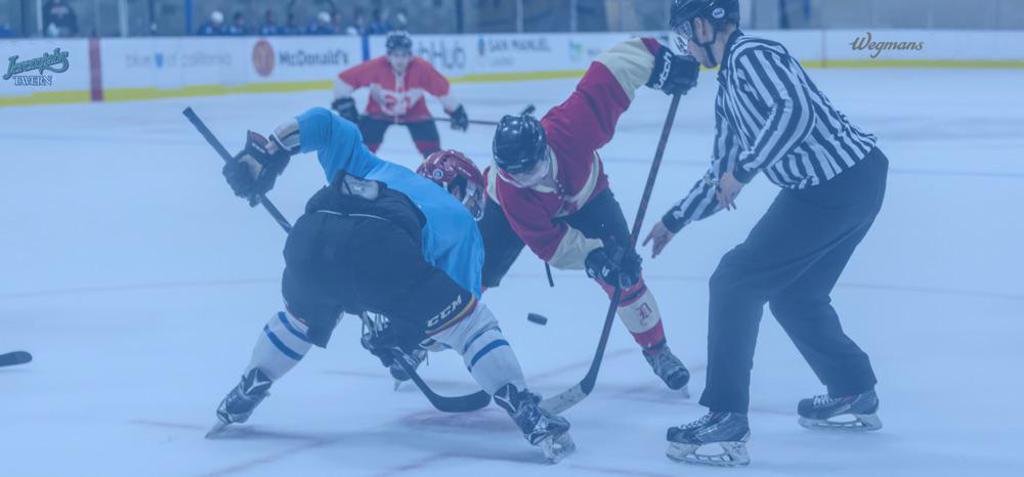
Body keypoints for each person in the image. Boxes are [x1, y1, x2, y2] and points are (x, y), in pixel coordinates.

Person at [209, 108, 575, 462]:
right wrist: (406, 339)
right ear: (461, 189)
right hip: (384, 251)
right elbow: (449, 323)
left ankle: (249, 387)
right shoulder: (462, 223)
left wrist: (270, 150)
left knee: (298, 320)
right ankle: (526, 410)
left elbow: (327, 124)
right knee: (472, 325)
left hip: (313, 237)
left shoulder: (370, 165)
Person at [647, 0, 887, 467]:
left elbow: (793, 112)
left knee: (734, 280)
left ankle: (726, 416)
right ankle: (853, 389)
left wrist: (745, 169)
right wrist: (675, 219)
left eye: (685, 33)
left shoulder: (753, 54)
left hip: (835, 185)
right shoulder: (727, 90)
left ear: (704, 25)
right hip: (845, 185)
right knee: (796, 297)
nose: (685, 46)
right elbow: (721, 174)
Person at [481, 37, 699, 392]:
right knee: (477, 269)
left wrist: (662, 65)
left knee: (625, 272)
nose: (528, 179)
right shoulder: (510, 191)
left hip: (587, 196)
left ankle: (657, 350)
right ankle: (428, 332)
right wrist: (593, 259)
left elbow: (614, 68)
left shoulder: (571, 126)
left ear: (543, 148)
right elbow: (551, 245)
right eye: (517, 174)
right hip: (508, 214)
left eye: (531, 169)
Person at [332, 31, 469, 158]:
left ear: (410, 55)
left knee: (433, 152)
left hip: (416, 113)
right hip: (377, 113)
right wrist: (345, 105)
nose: (400, 60)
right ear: (388, 56)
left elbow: (442, 89)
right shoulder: (376, 67)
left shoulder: (422, 68)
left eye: (404, 55)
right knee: (360, 150)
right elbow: (343, 80)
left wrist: (456, 110)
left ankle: (436, 173)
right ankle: (353, 173)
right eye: (396, 55)